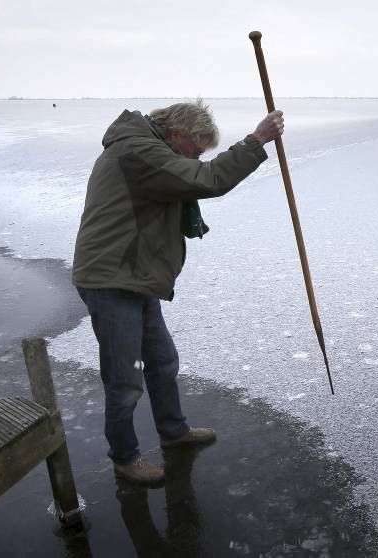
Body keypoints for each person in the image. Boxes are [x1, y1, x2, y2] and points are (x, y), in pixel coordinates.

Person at [72, 99, 284, 485]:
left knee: (163, 361)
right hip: (112, 277)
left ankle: (173, 432)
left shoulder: (149, 148)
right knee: (124, 379)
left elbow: (192, 177)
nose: (198, 156)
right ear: (178, 134)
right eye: (197, 148)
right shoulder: (139, 151)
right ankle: (125, 457)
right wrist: (257, 141)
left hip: (135, 273)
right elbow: (207, 179)